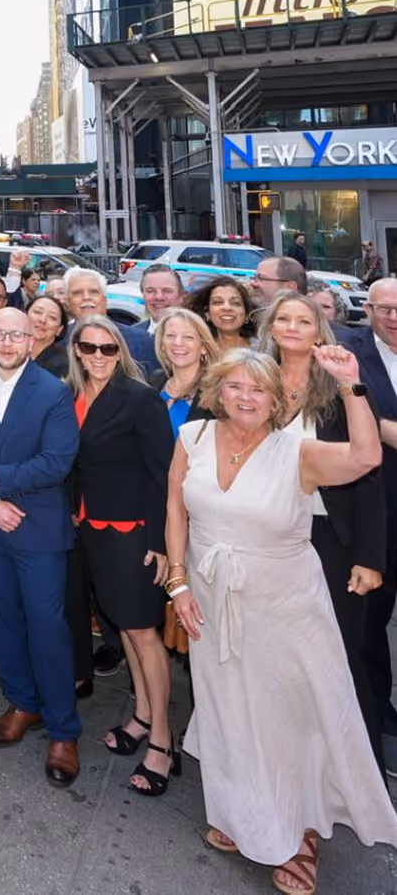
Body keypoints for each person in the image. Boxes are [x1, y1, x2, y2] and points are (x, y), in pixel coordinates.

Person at [167, 349, 397, 891]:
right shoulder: (192, 438)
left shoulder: (298, 452)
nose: (245, 397)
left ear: (277, 400)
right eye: (235, 387)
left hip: (285, 604)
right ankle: (243, 812)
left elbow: (367, 457)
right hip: (207, 594)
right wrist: (177, 581)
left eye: (258, 390)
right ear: (218, 391)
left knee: (287, 716)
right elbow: (175, 507)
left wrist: (350, 386)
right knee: (228, 709)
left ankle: (301, 833)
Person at [258, 291, 386, 766]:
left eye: (303, 320)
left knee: (340, 656)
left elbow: (368, 475)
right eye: (283, 318)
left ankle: (362, 771)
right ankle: (293, 763)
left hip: (329, 539)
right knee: (280, 660)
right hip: (267, 540)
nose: (292, 327)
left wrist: (370, 557)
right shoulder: (253, 383)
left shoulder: (340, 385)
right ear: (271, 327)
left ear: (319, 330)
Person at [0, 307, 81, 787]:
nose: (7, 343)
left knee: (47, 626)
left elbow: (57, 461)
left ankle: (64, 729)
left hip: (37, 527)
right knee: (2, 618)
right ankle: (22, 702)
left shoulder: (52, 392)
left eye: (17, 335)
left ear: (33, 340)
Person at [67, 315, 177, 795]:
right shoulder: (69, 395)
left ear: (121, 352)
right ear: (76, 349)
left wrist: (160, 543)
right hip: (92, 528)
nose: (97, 356)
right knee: (127, 631)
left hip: (133, 532)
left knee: (142, 632)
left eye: (107, 349)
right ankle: (141, 715)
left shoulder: (139, 398)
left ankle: (162, 743)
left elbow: (164, 476)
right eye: (88, 347)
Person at [343, 277, 397, 759]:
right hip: (378, 509)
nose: (394, 318)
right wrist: (381, 428)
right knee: (370, 623)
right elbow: (342, 412)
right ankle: (380, 716)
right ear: (368, 311)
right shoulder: (348, 350)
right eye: (384, 310)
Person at [150, 309, 218, 435]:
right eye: (171, 336)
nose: (178, 343)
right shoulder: (154, 380)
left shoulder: (216, 391)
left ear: (203, 347)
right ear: (162, 344)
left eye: (188, 337)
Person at [117, 265, 185, 374]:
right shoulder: (127, 338)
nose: (159, 297)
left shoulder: (199, 336)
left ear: (181, 297)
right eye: (150, 291)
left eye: (167, 291)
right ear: (143, 295)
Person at [186, 277, 255, 354]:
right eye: (218, 302)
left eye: (235, 303)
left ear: (247, 314)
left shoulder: (262, 349)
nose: (227, 308)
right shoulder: (196, 351)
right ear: (207, 313)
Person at [27, 295, 71, 380]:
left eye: (52, 317)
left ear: (59, 329)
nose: (43, 320)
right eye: (37, 312)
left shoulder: (62, 366)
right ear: (25, 314)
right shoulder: (10, 350)